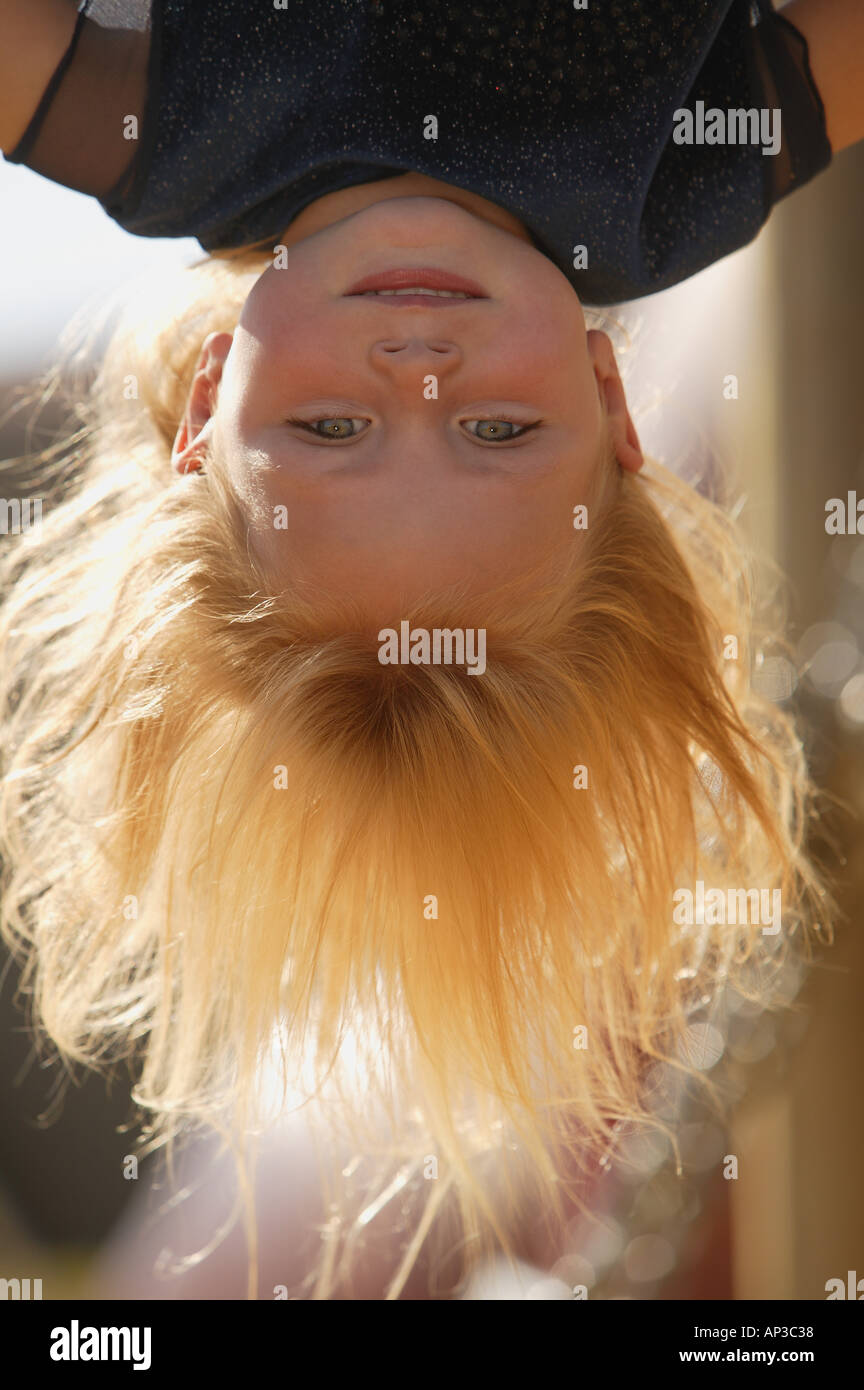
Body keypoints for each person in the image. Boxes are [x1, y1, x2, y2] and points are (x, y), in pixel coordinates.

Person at [0, 0, 853, 1298]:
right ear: (613, 404)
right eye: (501, 433)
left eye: (331, 427)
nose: (419, 373)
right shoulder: (694, 164)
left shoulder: (141, 128)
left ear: (206, 403)